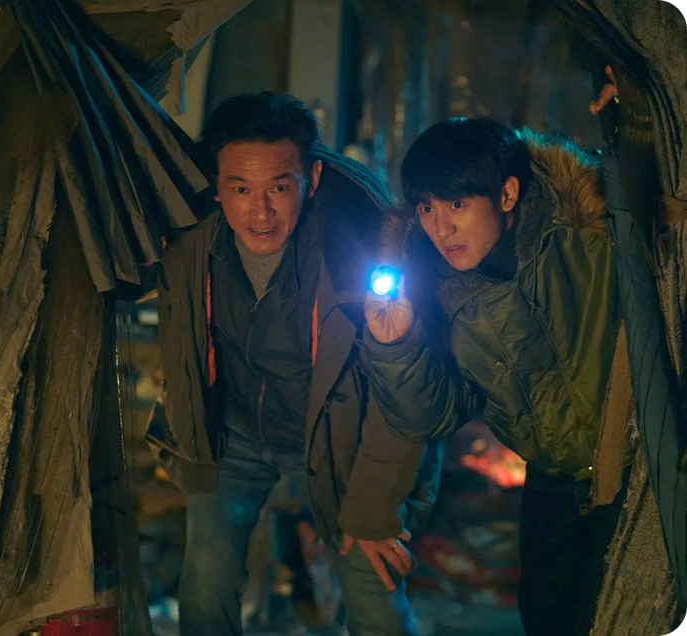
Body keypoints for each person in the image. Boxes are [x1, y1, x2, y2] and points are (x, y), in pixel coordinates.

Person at [359, 76, 674, 635]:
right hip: (551, 480)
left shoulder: (589, 225)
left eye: (457, 204)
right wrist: (395, 345)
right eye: (427, 208)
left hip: (643, 470)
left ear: (506, 195)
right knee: (548, 619)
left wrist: (638, 113)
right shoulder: (431, 287)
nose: (440, 227)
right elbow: (433, 416)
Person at [145, 92, 443, 636]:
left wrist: (375, 509)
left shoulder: (362, 246)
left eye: (279, 188)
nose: (260, 213)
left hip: (336, 445)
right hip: (234, 434)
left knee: (374, 596)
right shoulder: (190, 236)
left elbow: (406, 392)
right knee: (205, 586)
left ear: (312, 178)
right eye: (241, 189)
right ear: (216, 186)